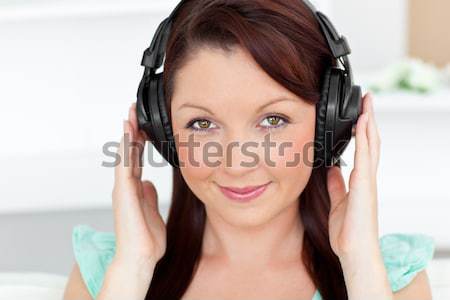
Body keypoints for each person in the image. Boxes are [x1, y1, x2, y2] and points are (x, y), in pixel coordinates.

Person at [63, 1, 435, 299]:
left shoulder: (389, 279)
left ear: (330, 124)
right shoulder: (111, 275)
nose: (237, 163)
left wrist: (358, 267)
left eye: (273, 120)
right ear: (162, 130)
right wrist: (134, 270)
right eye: (202, 124)